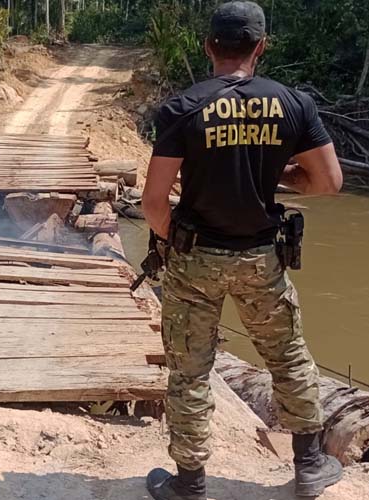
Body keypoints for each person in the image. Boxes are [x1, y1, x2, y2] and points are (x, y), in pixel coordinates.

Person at [141, 2, 344, 499]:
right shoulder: (293, 105)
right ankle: (310, 464)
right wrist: (275, 175)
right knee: (288, 357)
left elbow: (152, 203)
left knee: (189, 370)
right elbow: (329, 182)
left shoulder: (182, 108)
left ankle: (189, 482)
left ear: (210, 46)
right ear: (261, 47)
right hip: (262, 258)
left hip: (195, 257)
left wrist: (178, 243)